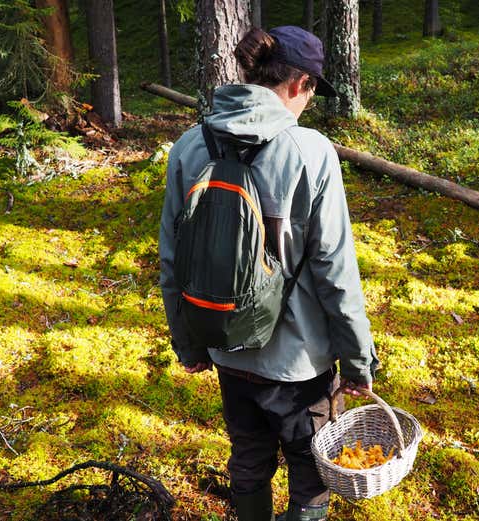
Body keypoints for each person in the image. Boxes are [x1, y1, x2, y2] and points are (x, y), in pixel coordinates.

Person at [159, 25, 378, 521]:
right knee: (312, 467)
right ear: (301, 84)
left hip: (226, 344)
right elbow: (335, 271)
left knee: (248, 457)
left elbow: (171, 259)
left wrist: (188, 343)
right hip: (300, 361)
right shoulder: (312, 152)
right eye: (313, 93)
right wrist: (357, 362)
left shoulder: (190, 146)